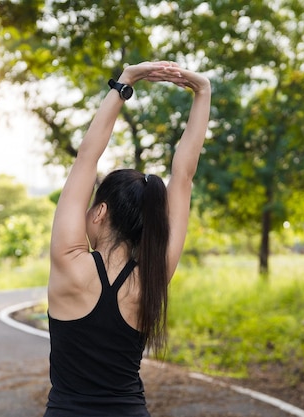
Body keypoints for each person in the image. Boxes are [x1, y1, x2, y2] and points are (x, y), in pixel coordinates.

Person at [44, 61, 211, 417]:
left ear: (100, 212)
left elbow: (87, 158)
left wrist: (126, 80)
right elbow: (183, 176)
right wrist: (203, 91)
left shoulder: (69, 264)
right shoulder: (151, 276)